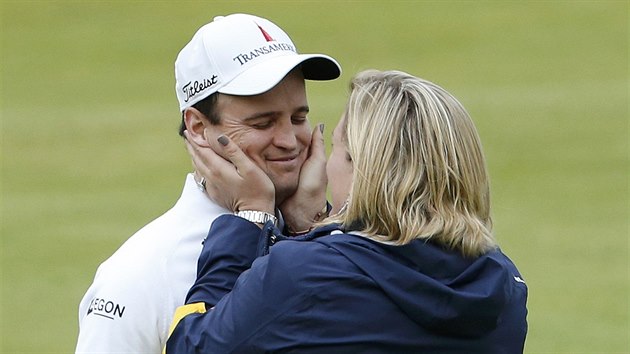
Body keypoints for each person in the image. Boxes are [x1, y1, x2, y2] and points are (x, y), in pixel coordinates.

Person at [165, 70, 529, 353]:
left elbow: (191, 345)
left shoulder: (301, 275)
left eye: (337, 147)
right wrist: (316, 226)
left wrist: (251, 217)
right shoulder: (504, 286)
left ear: (362, 169)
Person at [75, 13, 341, 353]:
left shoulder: (339, 239)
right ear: (199, 128)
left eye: (298, 118)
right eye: (263, 123)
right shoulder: (140, 274)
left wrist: (316, 225)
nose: (290, 140)